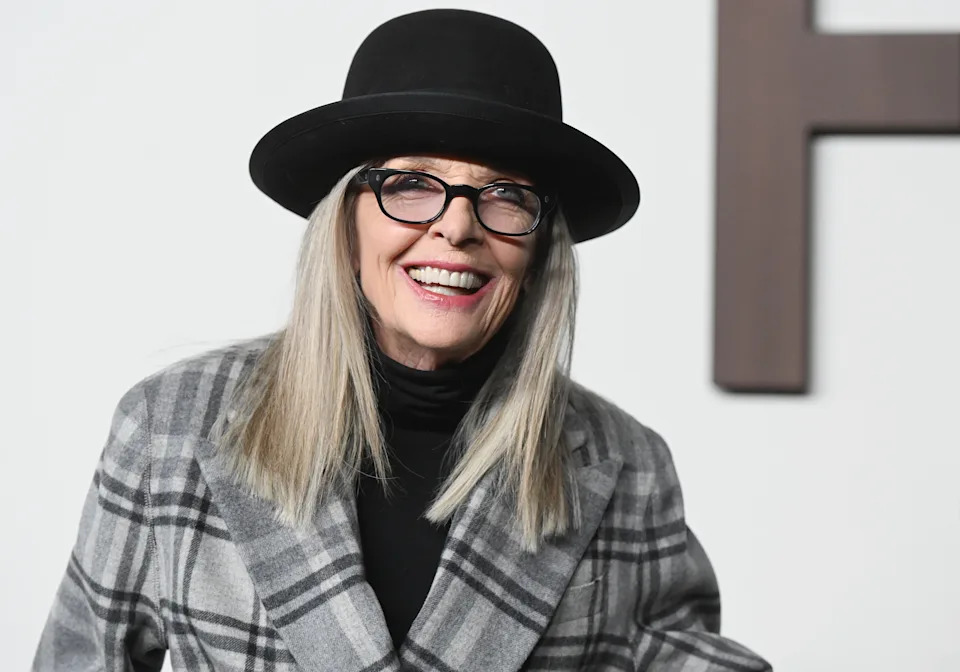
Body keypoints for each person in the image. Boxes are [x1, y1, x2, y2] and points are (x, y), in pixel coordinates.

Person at [32, 9, 771, 672]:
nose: (457, 226)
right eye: (411, 184)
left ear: (540, 246)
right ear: (346, 219)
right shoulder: (169, 429)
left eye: (505, 195)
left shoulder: (623, 463)